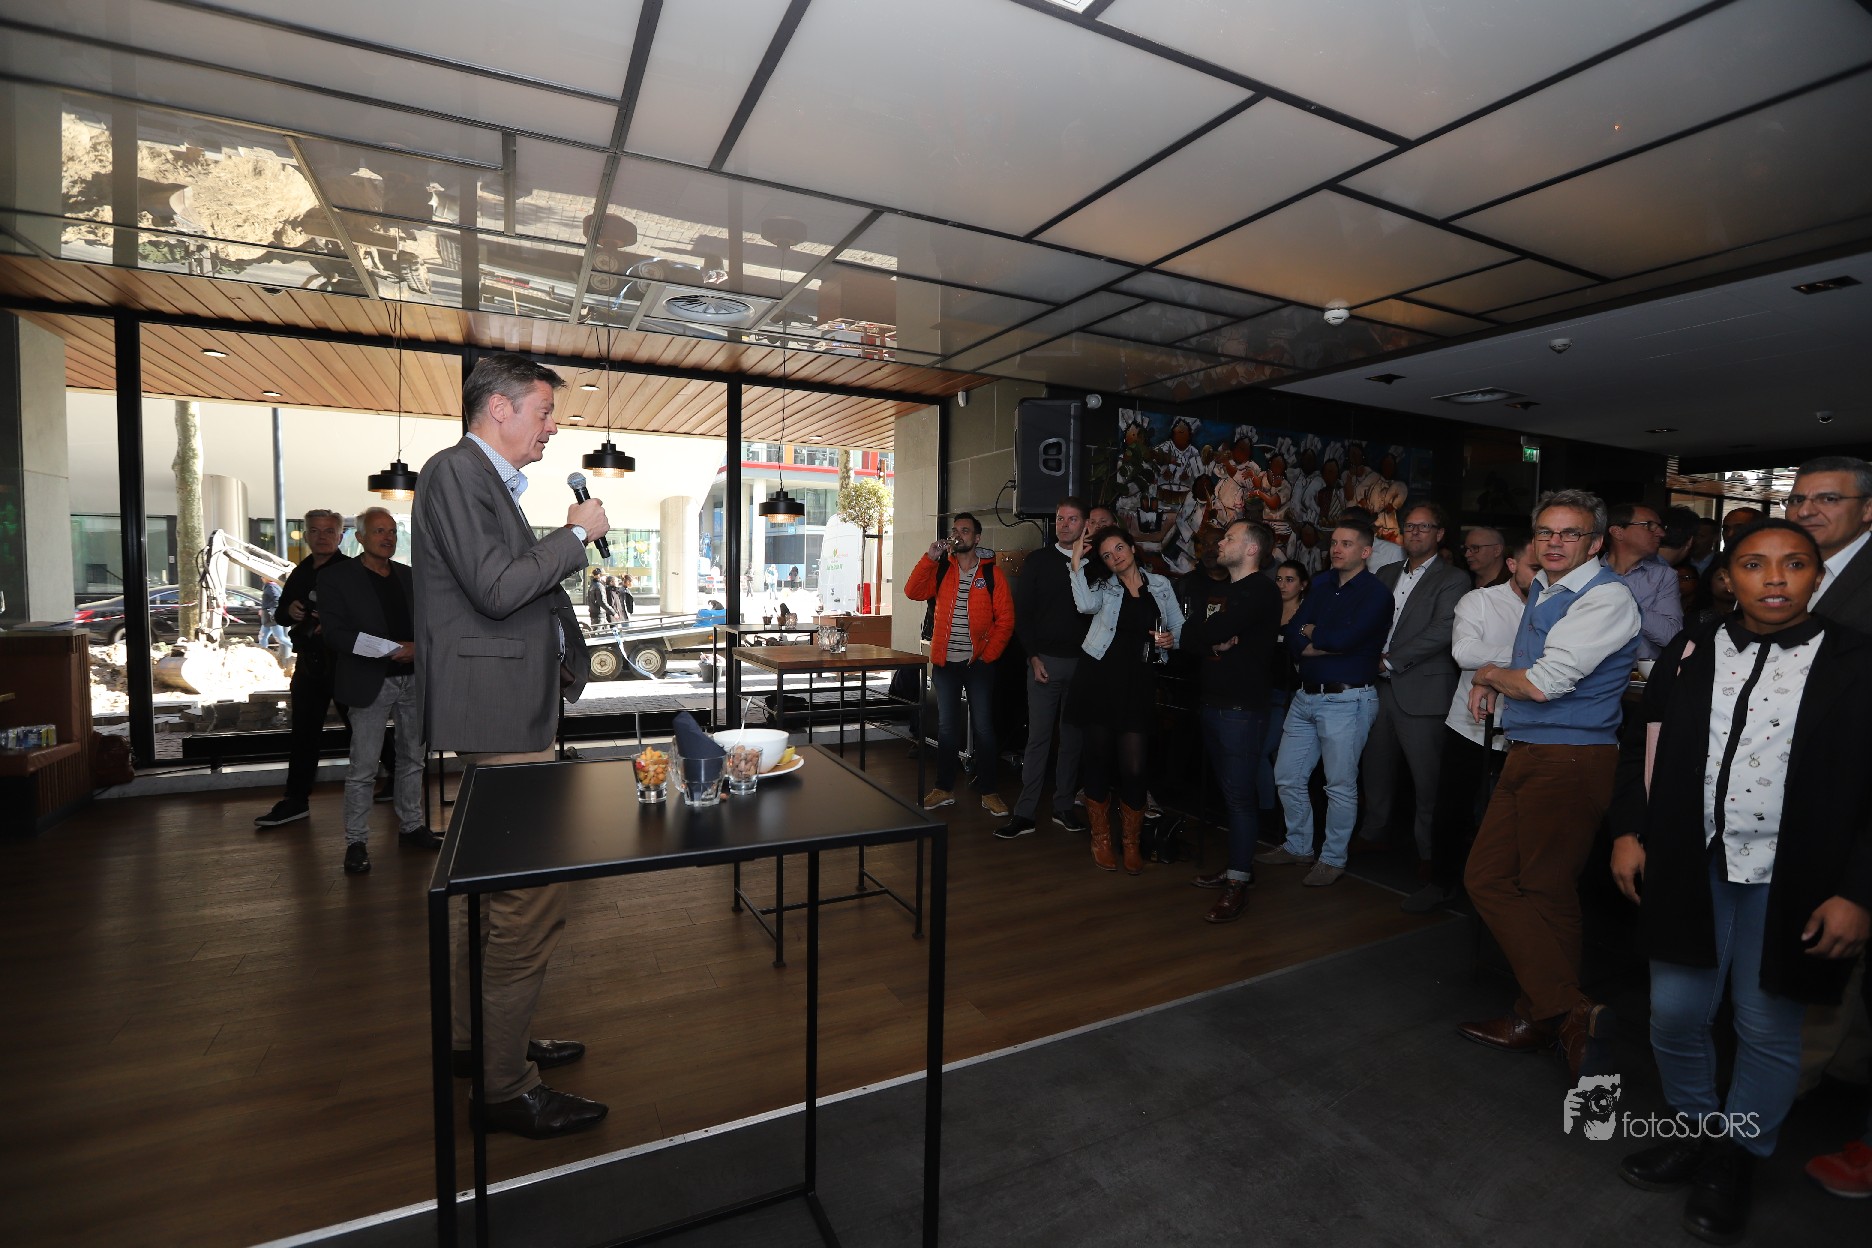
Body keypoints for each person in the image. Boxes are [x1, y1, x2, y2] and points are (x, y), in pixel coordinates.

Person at [1611, 518, 1872, 1241]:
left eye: (1795, 564)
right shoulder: (1692, 648)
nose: (1775, 578)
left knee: (1765, 1024)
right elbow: (1639, 744)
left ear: (1818, 575)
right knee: (1674, 1014)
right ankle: (1698, 1131)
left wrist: (1859, 891)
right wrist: (1629, 830)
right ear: (1729, 578)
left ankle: (1739, 1155)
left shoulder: (1856, 660)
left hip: (1794, 877)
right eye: (1755, 564)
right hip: (1688, 862)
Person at [414, 351, 608, 1140]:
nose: (551, 427)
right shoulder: (456, 472)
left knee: (495, 895)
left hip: (509, 710)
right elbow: (497, 587)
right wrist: (576, 534)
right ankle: (504, 1086)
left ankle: (481, 1042)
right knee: (528, 904)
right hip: (498, 720)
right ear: (498, 408)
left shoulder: (483, 482)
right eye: (542, 411)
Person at [1458, 489, 1642, 1080]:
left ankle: (1548, 1013)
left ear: (1596, 542)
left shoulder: (1606, 596)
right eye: (1546, 532)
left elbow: (1543, 683)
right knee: (1500, 879)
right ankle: (1562, 1011)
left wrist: (1487, 674)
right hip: (1530, 751)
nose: (1555, 542)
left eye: (1570, 533)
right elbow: (1528, 663)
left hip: (1571, 758)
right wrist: (1491, 679)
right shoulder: (1545, 586)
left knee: (1539, 886)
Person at [1403, 533, 1535, 913]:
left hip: (1528, 726)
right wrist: (1532, 656)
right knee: (1453, 808)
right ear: (1512, 564)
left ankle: (1504, 891)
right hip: (1472, 723)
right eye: (1535, 567)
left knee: (1516, 813)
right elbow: (1464, 653)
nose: (1545, 576)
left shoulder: (1560, 608)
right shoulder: (1480, 601)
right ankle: (1442, 883)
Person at [1257, 517, 1393, 887]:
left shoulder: (1376, 594)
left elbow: (1346, 640)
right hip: (1305, 696)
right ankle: (1298, 846)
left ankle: (1332, 858)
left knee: (1339, 785)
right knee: (1287, 776)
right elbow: (1294, 632)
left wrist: (1316, 636)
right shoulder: (1319, 584)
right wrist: (1314, 637)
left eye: (1347, 544)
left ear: (1365, 552)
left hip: (1347, 699)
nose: (1336, 549)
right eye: (1334, 543)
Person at [317, 506, 437, 875]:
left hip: (413, 679)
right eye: (379, 531)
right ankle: (356, 842)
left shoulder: (409, 576)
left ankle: (411, 826)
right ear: (360, 537)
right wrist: (389, 649)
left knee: (413, 760)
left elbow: (430, 622)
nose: (388, 537)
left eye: (392, 532)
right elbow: (335, 633)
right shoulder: (336, 578)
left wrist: (418, 647)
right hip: (369, 680)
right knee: (364, 767)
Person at [1356, 503, 1470, 877]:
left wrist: (1388, 660)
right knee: (1375, 767)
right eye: (1410, 526)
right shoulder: (1385, 573)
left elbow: (1442, 630)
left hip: (1422, 690)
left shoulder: (1453, 578)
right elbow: (1366, 619)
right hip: (1378, 687)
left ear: (1440, 534)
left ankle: (1429, 852)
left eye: (1424, 526)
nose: (1415, 532)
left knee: (1427, 780)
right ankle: (1374, 833)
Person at [1067, 525, 1183, 874]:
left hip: (1139, 682)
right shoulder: (1105, 587)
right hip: (1098, 679)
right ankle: (1101, 839)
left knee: (1134, 766)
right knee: (1098, 759)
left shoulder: (1160, 585)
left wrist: (1171, 640)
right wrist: (1076, 562)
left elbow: (1179, 628)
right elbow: (1084, 605)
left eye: (1118, 548)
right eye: (1106, 555)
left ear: (1132, 547)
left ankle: (1131, 842)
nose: (1114, 557)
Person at [1187, 520, 1281, 922]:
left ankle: (1238, 883)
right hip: (1213, 702)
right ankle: (1238, 867)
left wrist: (1212, 634)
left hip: (1241, 709)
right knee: (1229, 794)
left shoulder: (1261, 590)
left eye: (1229, 538)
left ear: (1251, 549)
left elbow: (1214, 629)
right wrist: (1212, 638)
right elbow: (1191, 634)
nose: (1220, 543)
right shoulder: (1225, 591)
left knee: (1240, 798)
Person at [907, 512, 1015, 816]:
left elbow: (1006, 620)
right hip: (945, 663)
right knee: (946, 728)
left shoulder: (992, 574)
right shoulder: (942, 568)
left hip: (979, 664)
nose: (958, 535)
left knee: (984, 728)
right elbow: (912, 591)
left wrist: (987, 656)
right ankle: (944, 789)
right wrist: (930, 557)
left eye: (965, 530)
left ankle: (989, 791)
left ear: (977, 538)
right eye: (955, 530)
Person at [998, 497, 1092, 839]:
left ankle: (1063, 807)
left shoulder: (1096, 563)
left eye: (1072, 519)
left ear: (1085, 525)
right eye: (1060, 518)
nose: (1064, 524)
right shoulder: (1039, 561)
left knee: (1072, 741)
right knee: (1038, 739)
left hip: (1083, 666)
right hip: (1044, 664)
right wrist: (1033, 657)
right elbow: (1022, 614)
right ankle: (1024, 813)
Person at [253, 508, 350, 828]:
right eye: (315, 531)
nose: (322, 537)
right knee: (304, 733)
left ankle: (395, 779)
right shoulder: (300, 572)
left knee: (363, 729)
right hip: (309, 663)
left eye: (329, 531)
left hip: (345, 663)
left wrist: (333, 624)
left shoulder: (352, 572)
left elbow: (365, 618)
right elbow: (280, 614)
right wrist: (290, 610)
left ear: (340, 536)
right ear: (306, 535)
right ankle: (296, 799)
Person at [1259, 559, 1307, 822]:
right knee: (1274, 754)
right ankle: (1278, 814)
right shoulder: (1269, 610)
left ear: (1303, 585)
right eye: (1279, 579)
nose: (1282, 585)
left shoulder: (1306, 616)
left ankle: (1268, 813)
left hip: (1291, 694)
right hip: (1263, 691)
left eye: (1289, 580)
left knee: (1264, 751)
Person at [1605, 502, 1684, 660]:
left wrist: (1627, 604)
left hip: (1641, 672)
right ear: (1618, 532)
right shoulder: (1588, 574)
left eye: (1659, 527)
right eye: (1649, 526)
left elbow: (1672, 636)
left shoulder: (1663, 576)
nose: (1661, 533)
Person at [258, 576, 293, 663]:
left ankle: (298, 648)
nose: (261, 578)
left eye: (263, 576)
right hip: (269, 616)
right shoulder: (273, 586)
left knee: (280, 638)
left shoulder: (271, 586)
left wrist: (270, 609)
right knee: (262, 636)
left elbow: (276, 599)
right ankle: (263, 654)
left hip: (271, 616)